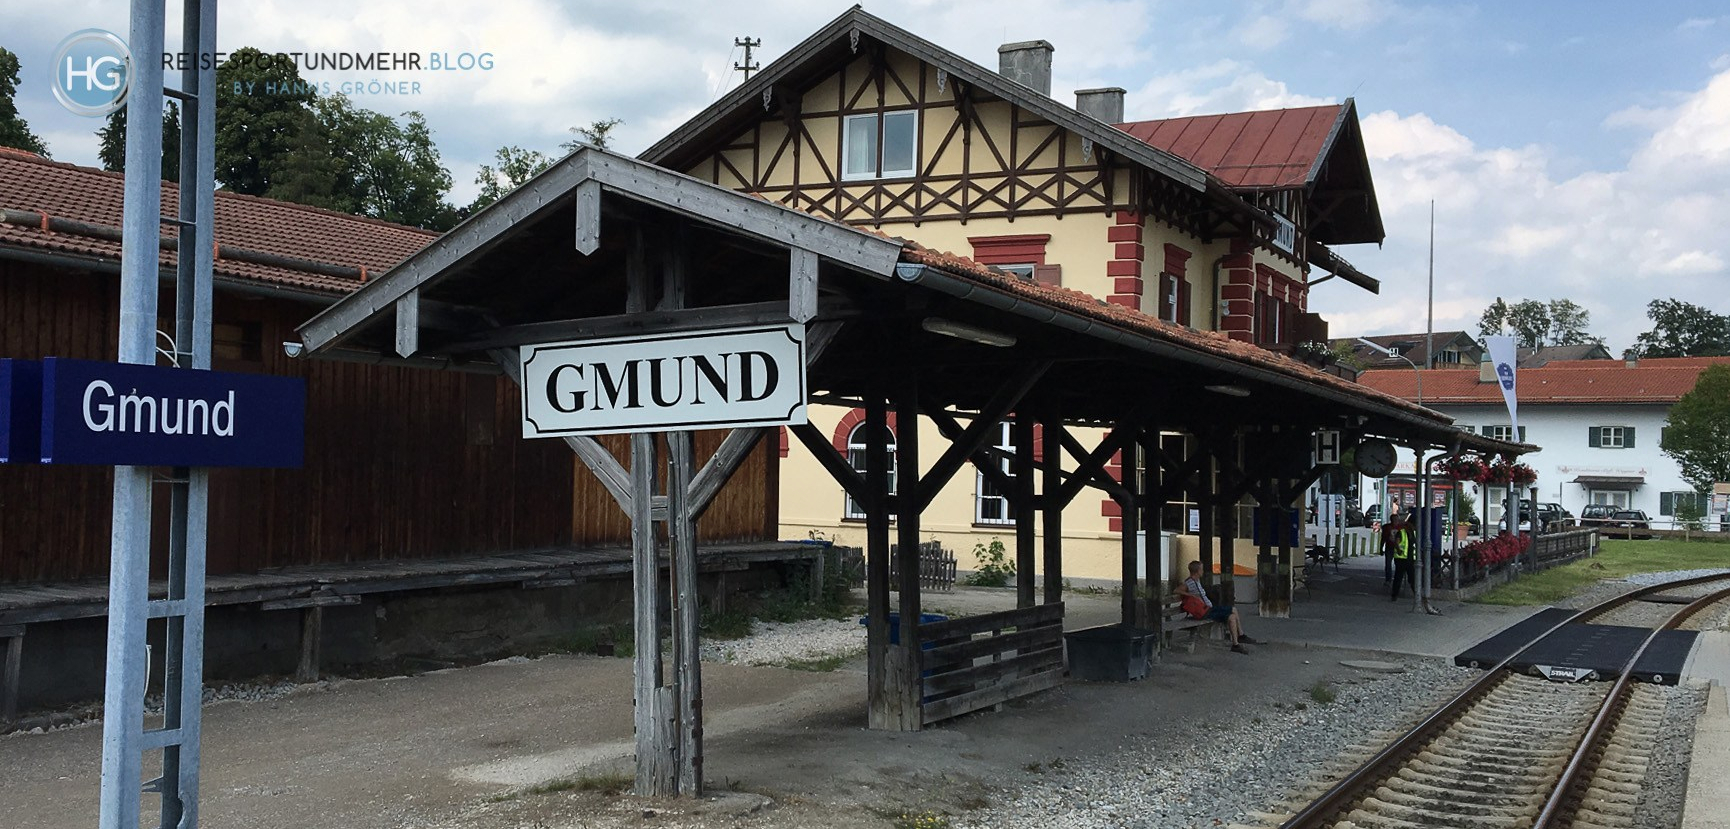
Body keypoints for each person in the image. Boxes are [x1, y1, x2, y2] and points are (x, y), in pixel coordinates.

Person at [1175, 560, 1258, 654]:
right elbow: (1177, 590)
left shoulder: (1196, 581)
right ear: (1197, 571)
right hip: (1205, 611)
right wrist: (1190, 595)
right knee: (1232, 616)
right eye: (1201, 569)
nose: (1202, 571)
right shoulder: (1189, 582)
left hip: (1208, 609)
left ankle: (1240, 637)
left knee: (1233, 611)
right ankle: (1236, 643)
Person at [1388, 511, 1416, 601]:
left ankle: (1416, 595)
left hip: (1409, 558)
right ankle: (1394, 595)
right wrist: (1399, 550)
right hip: (1401, 559)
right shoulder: (1402, 532)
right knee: (1399, 578)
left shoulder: (1412, 532)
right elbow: (1396, 542)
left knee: (1411, 578)